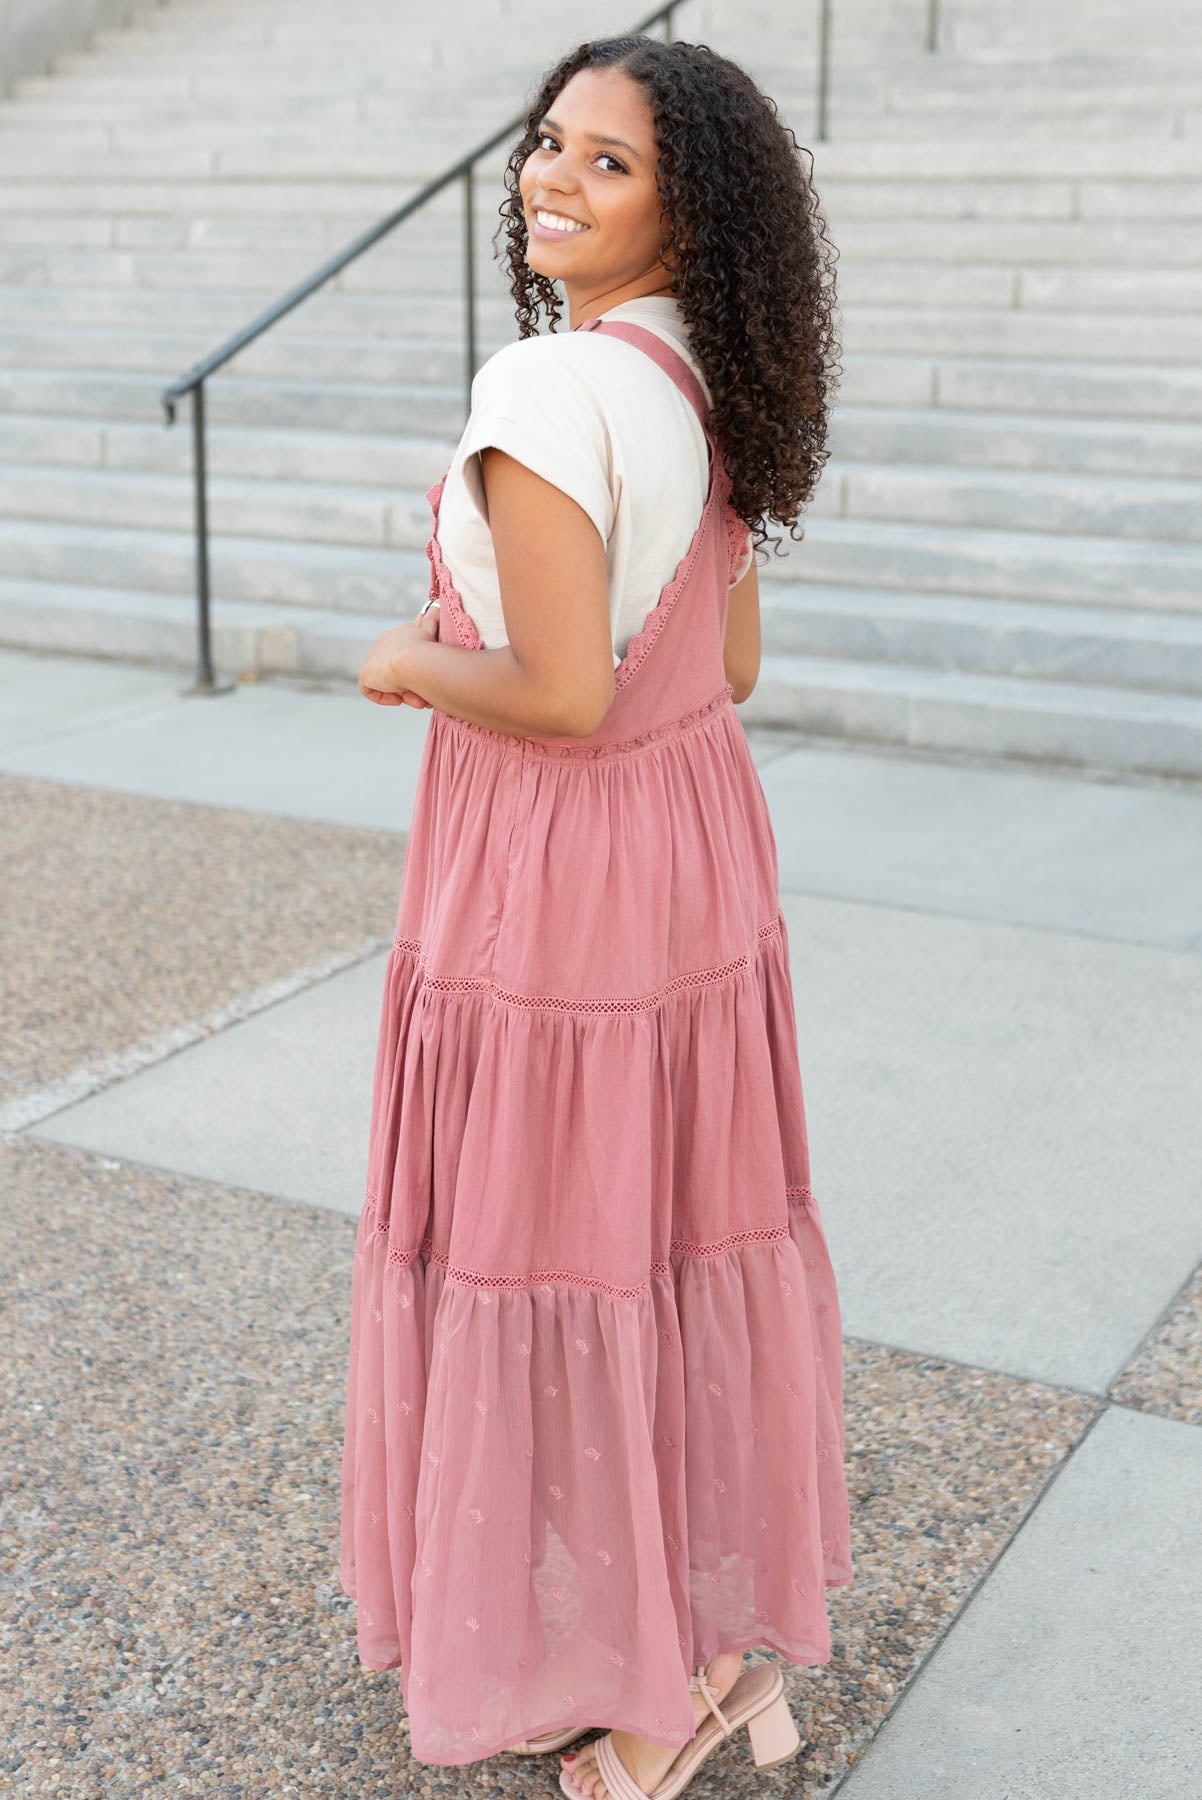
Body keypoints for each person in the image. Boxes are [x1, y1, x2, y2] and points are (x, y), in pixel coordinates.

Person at [343, 32, 853, 1798]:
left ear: (684, 205)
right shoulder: (696, 374)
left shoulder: (547, 390)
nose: (551, 176)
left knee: (552, 1254)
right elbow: (725, 658)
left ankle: (655, 1693)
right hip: (687, 855)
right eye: (548, 143)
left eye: (607, 161)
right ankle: (708, 1650)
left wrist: (407, 654)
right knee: (664, 1242)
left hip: (555, 871)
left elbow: (556, 693)